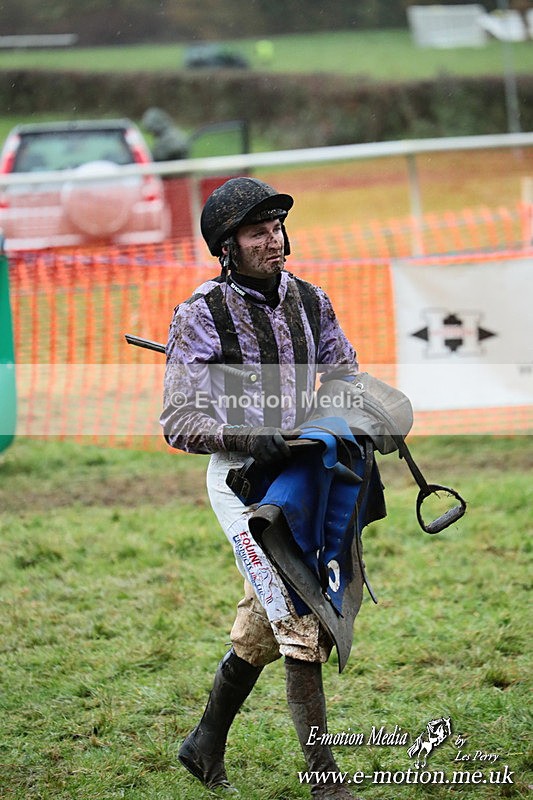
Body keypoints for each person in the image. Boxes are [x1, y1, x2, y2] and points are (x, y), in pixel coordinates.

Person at [160, 177, 366, 799]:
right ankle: (324, 781)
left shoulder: (312, 301)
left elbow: (345, 374)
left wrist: (349, 412)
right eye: (258, 232)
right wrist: (249, 435)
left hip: (307, 479)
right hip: (240, 483)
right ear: (229, 247)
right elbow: (178, 420)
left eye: (276, 228)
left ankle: (203, 744)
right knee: (300, 617)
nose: (273, 240)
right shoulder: (199, 314)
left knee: (266, 621)